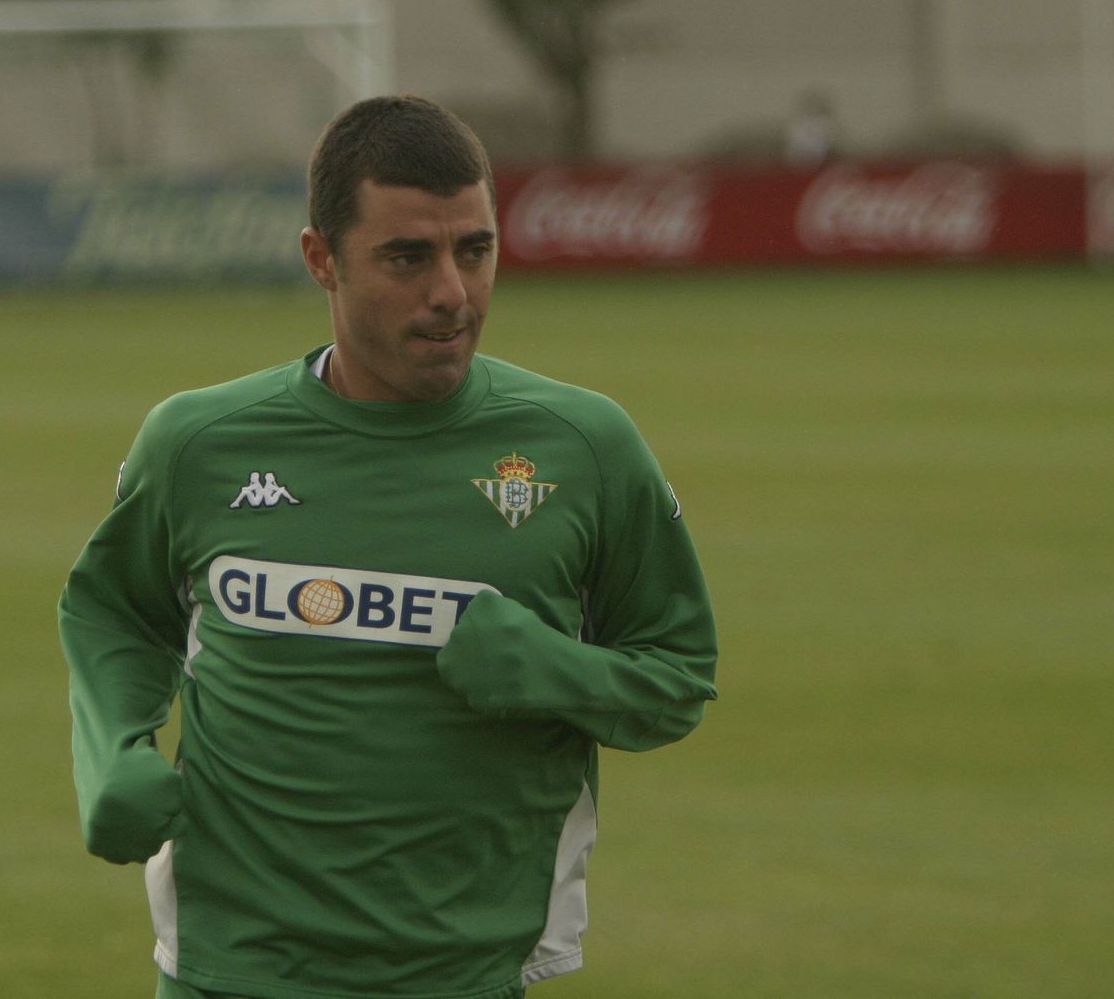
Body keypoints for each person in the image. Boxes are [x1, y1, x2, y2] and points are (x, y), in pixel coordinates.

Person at [58, 94, 719, 999]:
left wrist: (553, 671)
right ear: (320, 259)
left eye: (474, 250)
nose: (452, 292)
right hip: (233, 969)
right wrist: (111, 748)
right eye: (408, 257)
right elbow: (116, 612)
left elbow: (677, 676)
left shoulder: (586, 448)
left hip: (468, 971)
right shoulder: (197, 445)